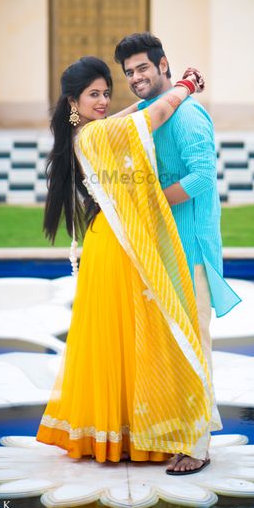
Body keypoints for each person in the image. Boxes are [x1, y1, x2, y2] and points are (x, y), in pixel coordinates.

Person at [36, 56, 215, 474]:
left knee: (125, 338)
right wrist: (187, 84)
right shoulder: (97, 135)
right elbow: (153, 113)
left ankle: (125, 433)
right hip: (118, 250)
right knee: (150, 335)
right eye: (93, 95)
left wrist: (141, 104)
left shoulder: (85, 133)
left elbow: (127, 116)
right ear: (73, 103)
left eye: (105, 92)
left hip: (109, 246)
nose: (102, 101)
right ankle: (158, 432)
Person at [114, 32, 242, 472]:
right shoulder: (153, 112)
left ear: (163, 64)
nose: (135, 78)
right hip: (166, 248)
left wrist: (149, 202)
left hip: (192, 249)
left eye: (142, 68)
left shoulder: (188, 115)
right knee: (172, 347)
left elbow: (204, 177)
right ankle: (179, 432)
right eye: (129, 72)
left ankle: (198, 444)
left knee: (194, 345)